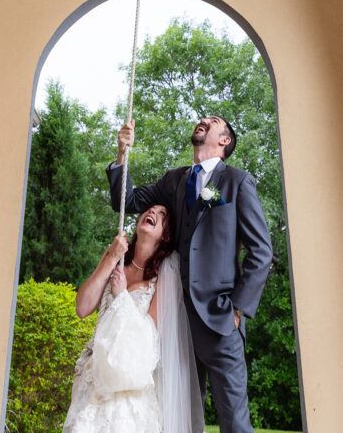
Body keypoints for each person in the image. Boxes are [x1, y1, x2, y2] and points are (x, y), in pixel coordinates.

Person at [108, 116, 273, 433]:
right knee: (181, 416)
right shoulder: (175, 181)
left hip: (221, 319)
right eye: (201, 119)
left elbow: (261, 251)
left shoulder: (237, 182)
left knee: (234, 422)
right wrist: (121, 155)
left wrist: (237, 309)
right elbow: (125, 201)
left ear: (224, 141)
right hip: (178, 321)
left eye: (212, 122)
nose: (202, 121)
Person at [64, 203, 203, 433]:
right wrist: (111, 258)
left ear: (165, 234)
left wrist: (122, 298)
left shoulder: (163, 277)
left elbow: (151, 337)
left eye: (161, 215)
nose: (152, 213)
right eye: (150, 210)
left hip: (128, 388)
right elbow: (82, 307)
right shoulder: (116, 257)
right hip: (93, 375)